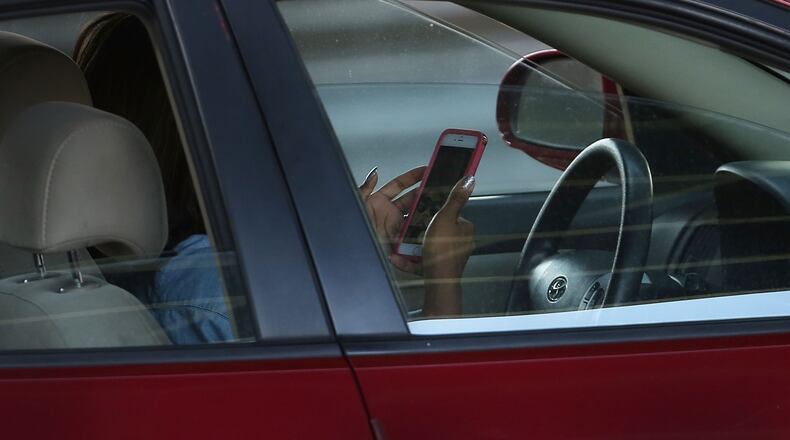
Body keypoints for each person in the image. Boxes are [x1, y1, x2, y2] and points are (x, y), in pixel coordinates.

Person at [74, 13, 475, 343]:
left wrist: (342, 243)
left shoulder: (171, 266)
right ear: (201, 132)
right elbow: (395, 397)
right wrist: (444, 280)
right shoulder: (217, 286)